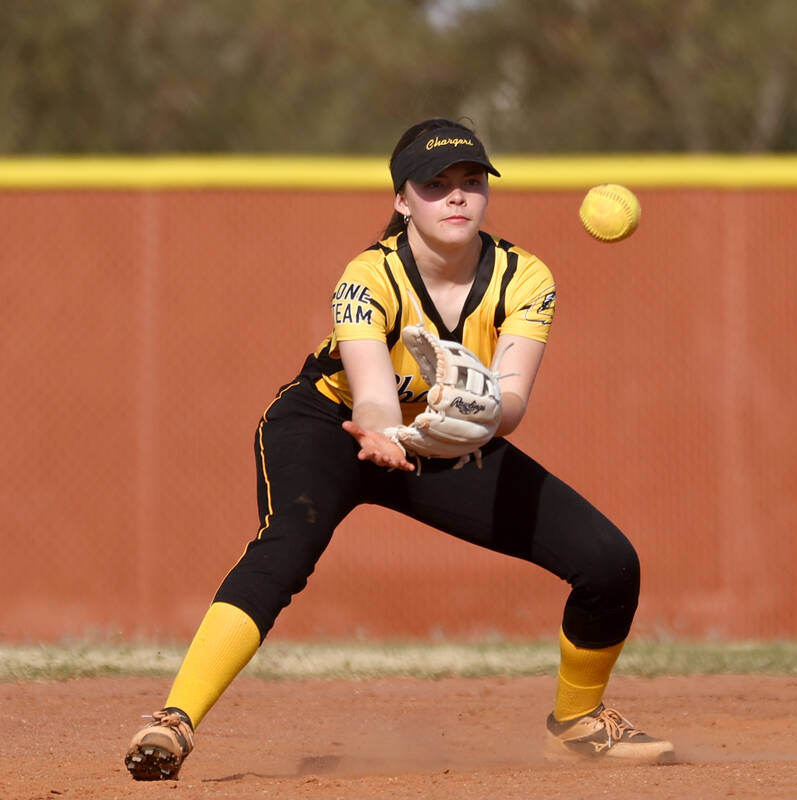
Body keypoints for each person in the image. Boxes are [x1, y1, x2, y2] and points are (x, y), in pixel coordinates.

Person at [123, 118, 674, 781]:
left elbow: (515, 402)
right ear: (401, 199)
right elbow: (374, 394)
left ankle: (578, 725)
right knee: (287, 546)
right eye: (434, 184)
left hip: (443, 439)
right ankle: (172, 722)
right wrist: (383, 431)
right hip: (330, 425)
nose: (456, 197)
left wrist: (481, 413)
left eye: (471, 182)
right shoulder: (369, 275)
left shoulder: (525, 278)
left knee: (609, 562)